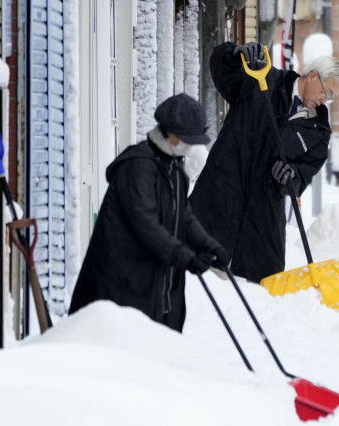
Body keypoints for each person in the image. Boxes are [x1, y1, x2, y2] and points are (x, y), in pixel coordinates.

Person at [189, 41, 339, 282]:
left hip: (261, 224)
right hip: (220, 195)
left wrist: (288, 176)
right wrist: (234, 54)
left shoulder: (318, 134)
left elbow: (301, 178)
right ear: (313, 76)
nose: (325, 100)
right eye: (327, 92)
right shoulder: (264, 81)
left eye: (331, 98)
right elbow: (222, 71)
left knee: (260, 294)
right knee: (195, 280)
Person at [69, 94, 230, 332]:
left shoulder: (174, 168)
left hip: (156, 286)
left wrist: (209, 246)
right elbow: (146, 225)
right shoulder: (138, 167)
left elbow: (183, 216)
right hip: (120, 287)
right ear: (169, 133)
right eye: (186, 138)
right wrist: (185, 257)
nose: (189, 145)